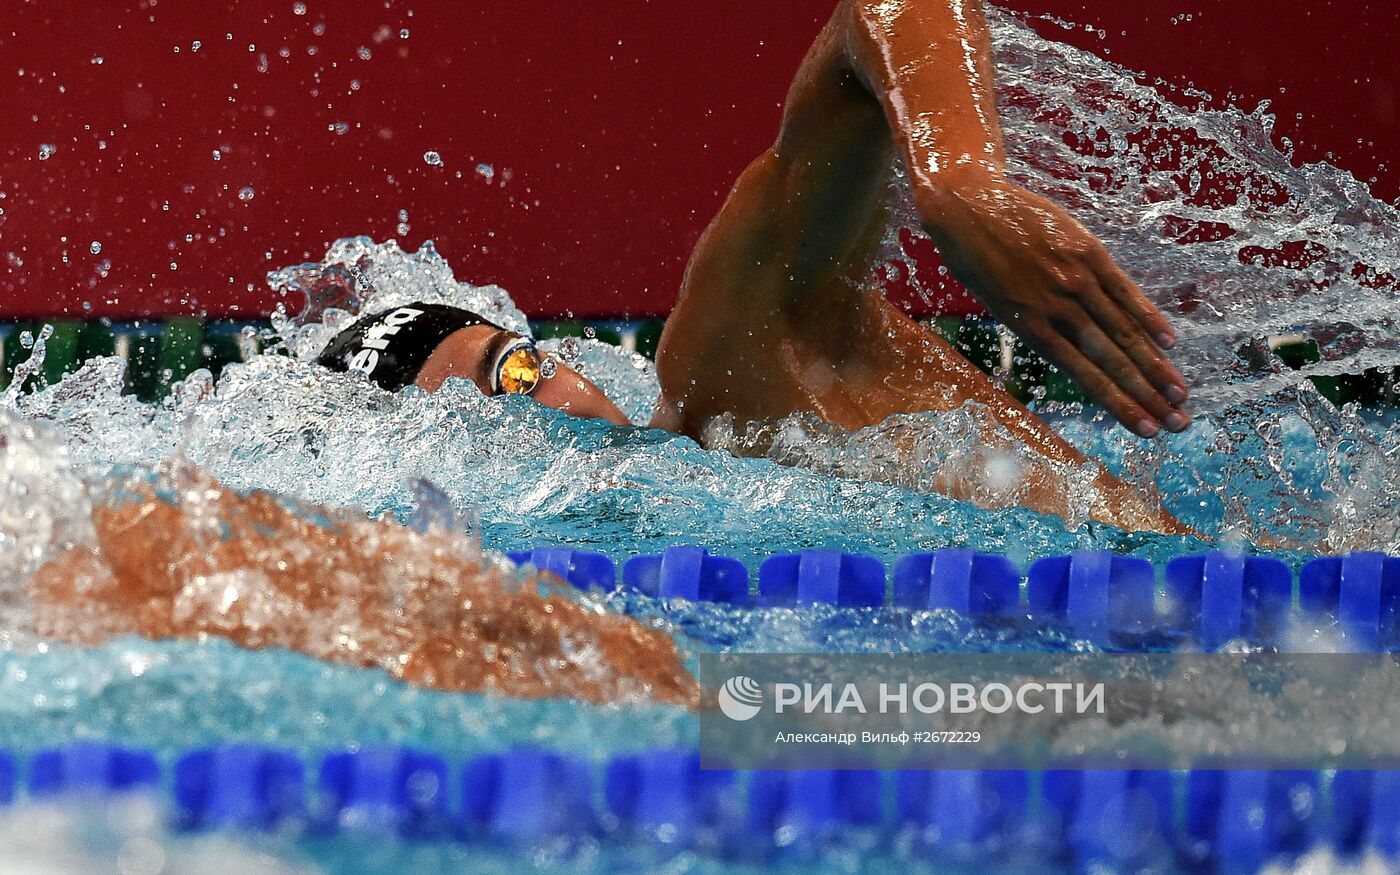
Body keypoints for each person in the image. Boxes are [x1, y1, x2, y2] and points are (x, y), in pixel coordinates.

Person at [317, 0, 1192, 533]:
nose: (541, 412)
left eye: (517, 368)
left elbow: (881, 9)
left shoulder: (728, 373)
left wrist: (959, 180)